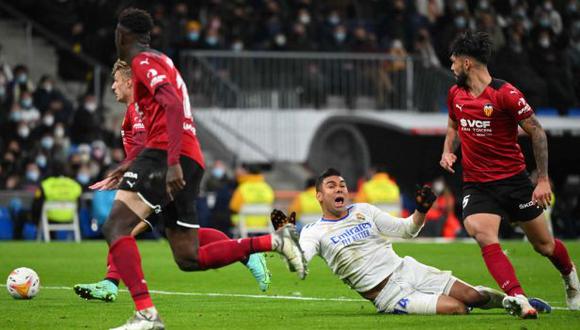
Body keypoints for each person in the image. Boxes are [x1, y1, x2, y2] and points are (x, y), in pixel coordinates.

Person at [103, 8, 306, 330]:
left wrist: (169, 163)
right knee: (188, 257)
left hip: (166, 154)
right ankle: (274, 243)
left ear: (122, 35)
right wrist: (136, 164)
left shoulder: (142, 61)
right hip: (188, 156)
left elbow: (170, 103)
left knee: (116, 226)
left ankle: (145, 314)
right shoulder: (161, 59)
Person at [74, 60, 273, 302]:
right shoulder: (131, 114)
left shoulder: (144, 107)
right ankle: (246, 251)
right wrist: (126, 173)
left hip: (168, 174)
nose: (113, 86)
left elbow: (158, 141)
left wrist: (137, 172)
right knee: (180, 236)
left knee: (122, 229)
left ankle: (111, 284)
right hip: (157, 175)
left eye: (116, 81)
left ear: (129, 82)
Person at [440, 31, 579, 318]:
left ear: (467, 63)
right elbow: (453, 125)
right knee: (480, 231)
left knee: (545, 245)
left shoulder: (505, 94)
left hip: (514, 182)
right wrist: (447, 151)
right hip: (477, 184)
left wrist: (541, 180)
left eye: (453, 62)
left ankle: (571, 280)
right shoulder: (455, 94)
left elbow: (537, 131)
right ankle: (519, 298)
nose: (451, 67)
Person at [277, 168, 509, 316]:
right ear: (319, 195)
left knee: (473, 297)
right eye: (331, 186)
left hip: (408, 270)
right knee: (457, 308)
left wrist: (421, 210)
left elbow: (407, 230)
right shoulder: (314, 231)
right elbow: (300, 261)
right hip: (389, 295)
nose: (339, 189)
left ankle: (516, 302)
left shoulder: (364, 210)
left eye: (342, 185)